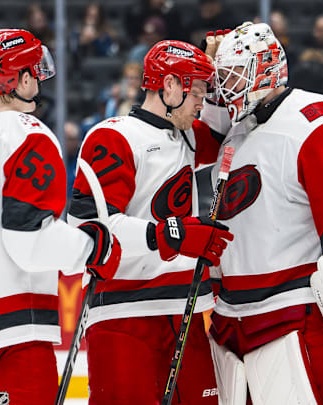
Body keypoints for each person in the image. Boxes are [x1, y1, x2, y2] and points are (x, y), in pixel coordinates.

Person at [0, 29, 121, 405]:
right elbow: (29, 243)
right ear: (19, 78)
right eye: (32, 69)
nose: (38, 77)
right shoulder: (29, 135)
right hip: (8, 331)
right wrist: (93, 246)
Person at [209, 22, 323, 404]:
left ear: (267, 68)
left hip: (295, 321)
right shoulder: (238, 132)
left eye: (235, 74)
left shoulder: (310, 121)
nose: (227, 85)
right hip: (233, 326)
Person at [68, 40, 234, 404]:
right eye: (197, 91)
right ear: (170, 85)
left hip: (183, 311)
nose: (201, 103)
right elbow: (88, 227)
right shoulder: (113, 136)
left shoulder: (187, 135)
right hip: (123, 314)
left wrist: (218, 61)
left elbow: (224, 134)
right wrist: (170, 235)